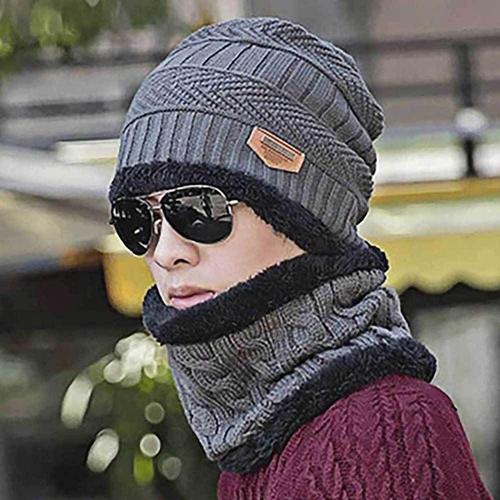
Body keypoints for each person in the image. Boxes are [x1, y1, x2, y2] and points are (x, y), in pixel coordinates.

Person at [107, 16, 492, 500]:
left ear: (304, 217)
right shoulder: (253, 447)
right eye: (137, 219)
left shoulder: (385, 432)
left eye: (199, 210)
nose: (166, 253)